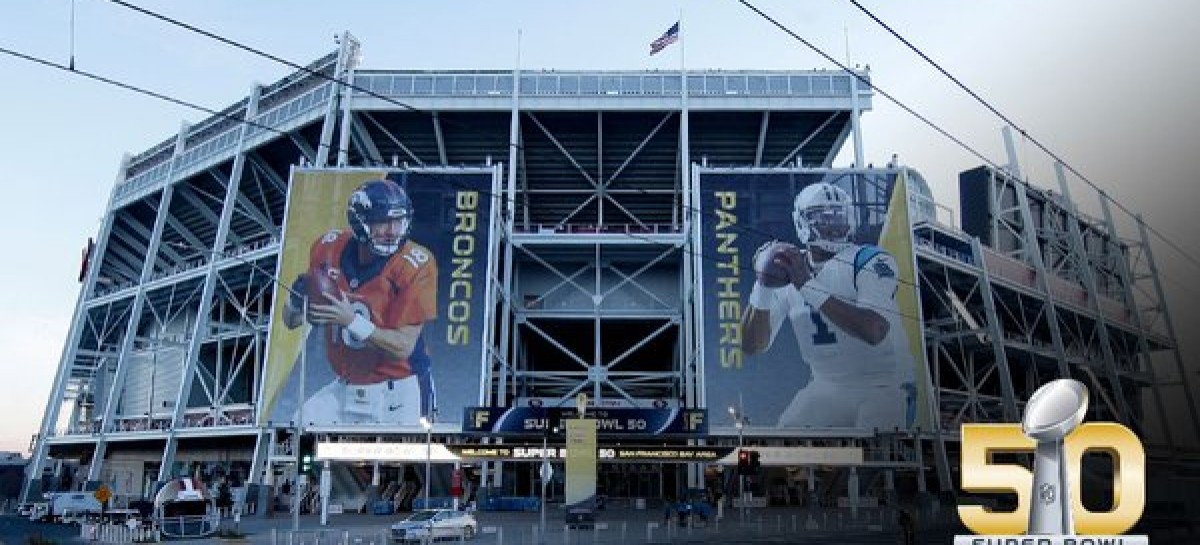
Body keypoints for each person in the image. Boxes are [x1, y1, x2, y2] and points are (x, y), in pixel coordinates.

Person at [741, 182, 915, 429]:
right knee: (781, 448)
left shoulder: (870, 259)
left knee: (875, 449)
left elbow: (875, 330)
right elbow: (751, 345)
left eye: (838, 217)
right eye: (823, 218)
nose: (833, 226)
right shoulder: (789, 266)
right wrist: (763, 287)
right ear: (801, 222)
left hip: (884, 385)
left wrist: (807, 285)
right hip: (827, 386)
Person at [283, 178, 438, 426]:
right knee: (296, 430)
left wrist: (350, 320)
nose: (392, 231)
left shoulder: (415, 264)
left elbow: (402, 346)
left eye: (398, 222)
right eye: (383, 222)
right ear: (360, 222)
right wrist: (296, 300)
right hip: (345, 386)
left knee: (399, 462)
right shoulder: (327, 248)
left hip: (398, 390)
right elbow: (290, 321)